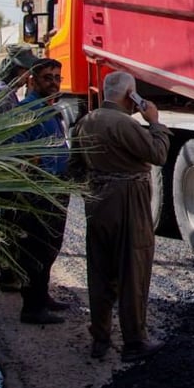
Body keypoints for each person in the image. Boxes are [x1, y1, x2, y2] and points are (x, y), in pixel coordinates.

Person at [70, 71, 170, 361]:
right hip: (128, 199)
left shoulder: (85, 122)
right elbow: (158, 154)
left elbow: (74, 167)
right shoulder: (124, 124)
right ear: (130, 95)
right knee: (133, 269)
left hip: (96, 201)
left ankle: (100, 338)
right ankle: (134, 342)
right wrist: (155, 122)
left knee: (100, 271)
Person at [0, 46, 40, 292]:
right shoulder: (2, 94)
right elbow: (13, 134)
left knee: (10, 220)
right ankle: (9, 274)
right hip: (8, 165)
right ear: (16, 69)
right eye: (26, 71)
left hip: (0, 163)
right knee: (13, 223)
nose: (28, 77)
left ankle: (10, 272)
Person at [14, 58, 72, 325]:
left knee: (50, 246)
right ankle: (32, 307)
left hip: (56, 188)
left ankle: (42, 296)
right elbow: (17, 151)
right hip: (39, 192)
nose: (54, 83)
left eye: (57, 78)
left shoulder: (50, 109)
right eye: (48, 77)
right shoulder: (26, 111)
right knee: (35, 248)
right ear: (32, 80)